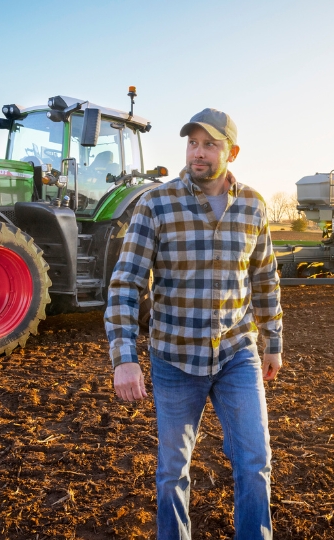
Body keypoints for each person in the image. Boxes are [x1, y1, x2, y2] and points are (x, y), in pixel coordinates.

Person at [104, 108, 282, 540]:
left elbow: (264, 277)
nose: (197, 153)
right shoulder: (156, 203)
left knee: (255, 461)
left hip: (237, 353)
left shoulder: (254, 206)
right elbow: (127, 282)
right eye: (192, 143)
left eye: (210, 144)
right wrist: (123, 358)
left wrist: (273, 342)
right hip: (175, 358)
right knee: (172, 471)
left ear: (231, 152)